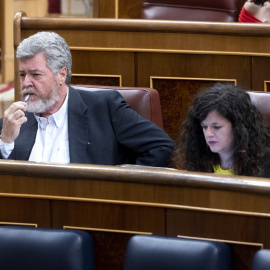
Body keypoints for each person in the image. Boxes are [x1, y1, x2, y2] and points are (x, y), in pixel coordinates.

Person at [0, 31, 175, 166]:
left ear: (61, 75)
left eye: (35, 75)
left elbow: (162, 147)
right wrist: (6, 141)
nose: (25, 83)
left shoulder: (105, 108)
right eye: (22, 75)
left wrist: (120, 188)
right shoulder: (11, 124)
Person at [172, 83, 270, 177]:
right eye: (204, 127)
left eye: (217, 127)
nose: (208, 134)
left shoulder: (265, 164)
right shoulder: (199, 161)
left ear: (239, 127)